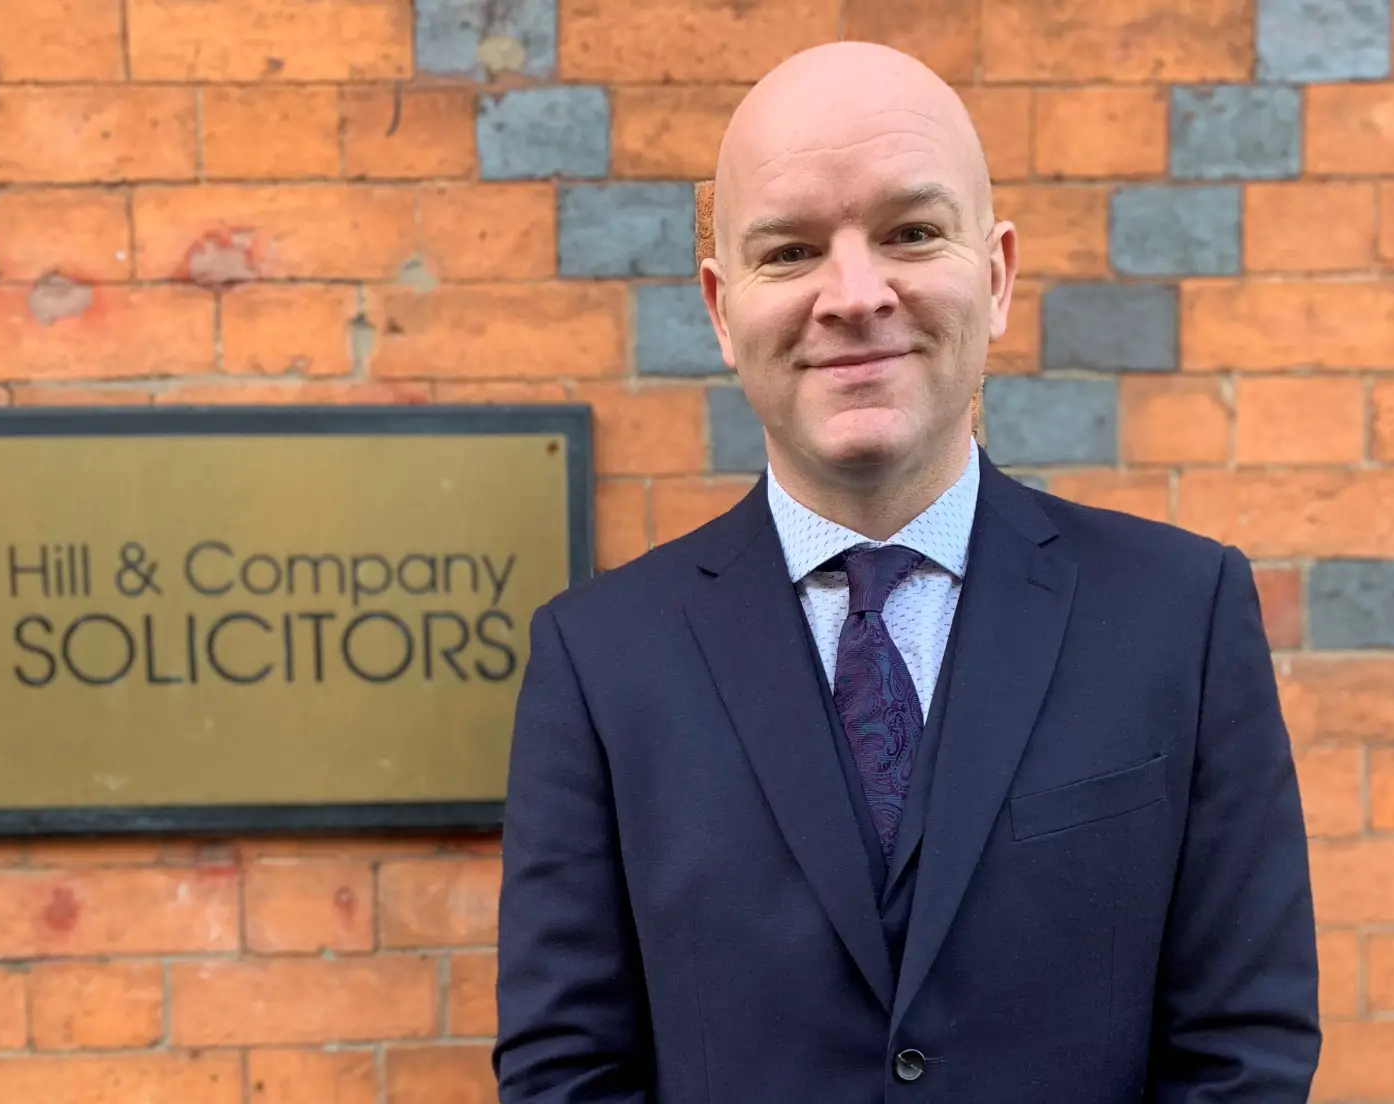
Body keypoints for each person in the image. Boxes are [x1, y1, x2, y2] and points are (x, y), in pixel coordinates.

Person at [492, 40, 1320, 1103]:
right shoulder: (599, 663)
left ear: (997, 275)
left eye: (911, 233)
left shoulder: (1179, 617)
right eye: (790, 250)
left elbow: (1243, 1054)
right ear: (719, 309)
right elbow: (566, 1073)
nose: (854, 294)